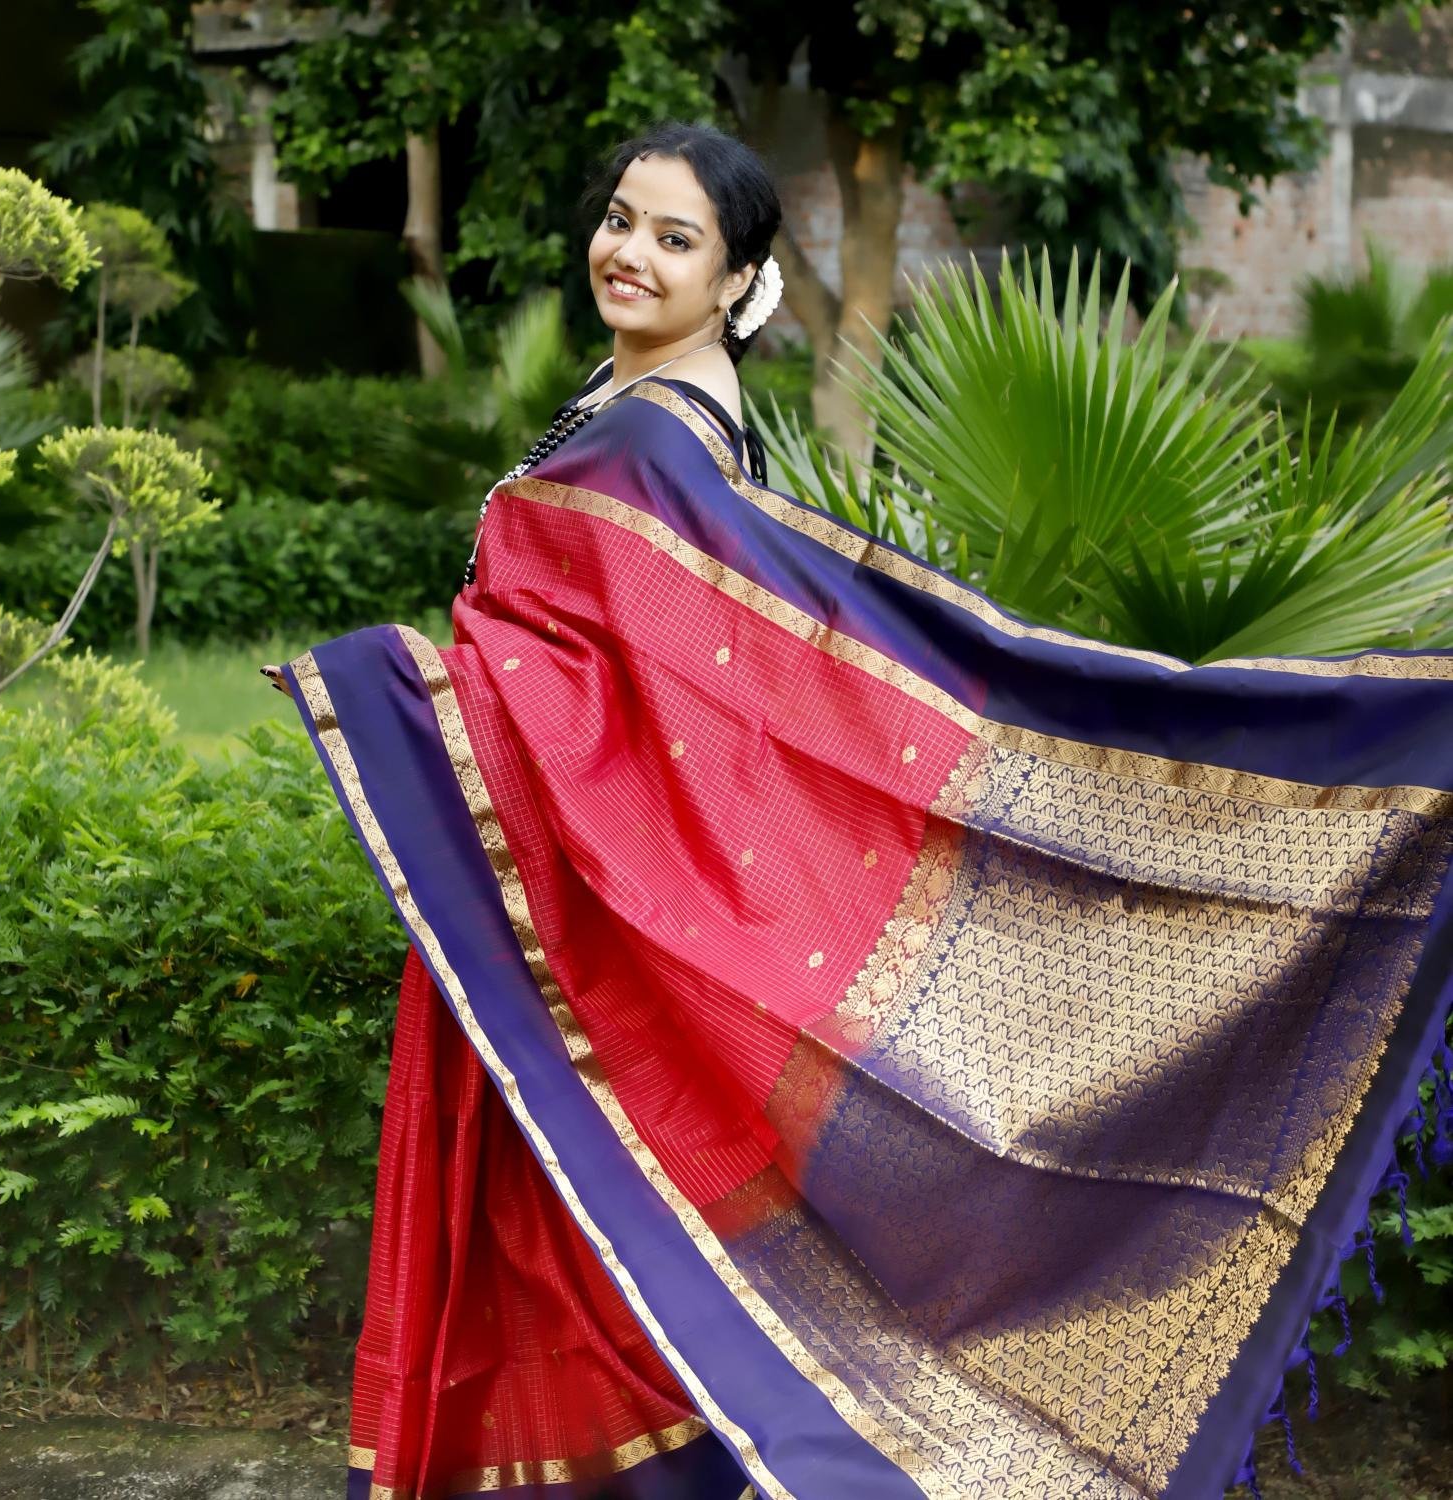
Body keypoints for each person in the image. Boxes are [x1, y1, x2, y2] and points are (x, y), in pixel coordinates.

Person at [263, 121, 1453, 1500]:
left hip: (588, 925)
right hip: (555, 909)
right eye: (621, 220)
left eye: (676, 238)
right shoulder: (633, 403)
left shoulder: (657, 445)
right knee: (587, 1236)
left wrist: (403, 687)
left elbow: (597, 698)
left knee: (599, 1245)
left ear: (737, 282)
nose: (629, 253)